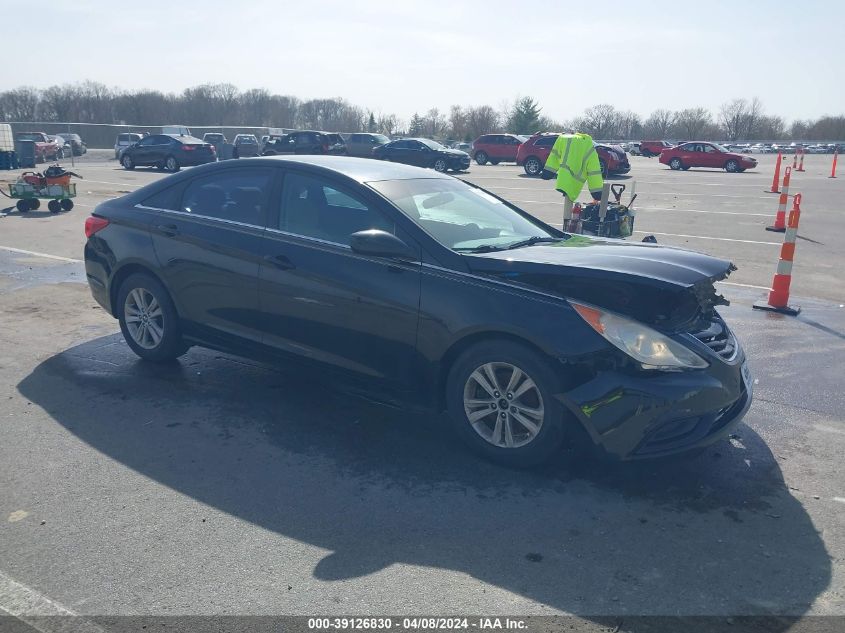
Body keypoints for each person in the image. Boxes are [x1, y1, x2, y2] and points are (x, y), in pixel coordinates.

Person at [540, 132, 604, 204]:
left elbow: (554, 157)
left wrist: (548, 172)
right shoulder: (588, 146)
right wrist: (597, 193)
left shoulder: (562, 139)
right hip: (575, 184)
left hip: (562, 181)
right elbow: (594, 172)